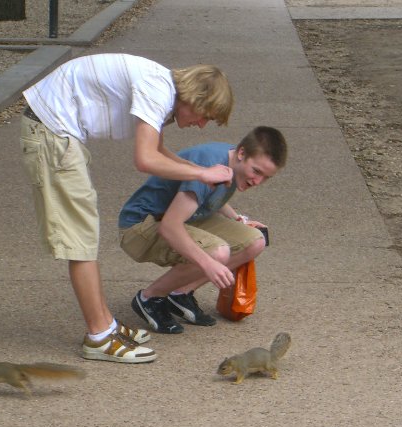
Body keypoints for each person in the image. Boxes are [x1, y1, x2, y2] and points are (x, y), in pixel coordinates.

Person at [20, 53, 234, 363]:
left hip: (56, 131)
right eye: (205, 116)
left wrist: (198, 171)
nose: (201, 125)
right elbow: (145, 159)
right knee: (80, 240)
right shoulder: (158, 90)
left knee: (86, 236)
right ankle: (99, 336)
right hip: (52, 132)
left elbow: (158, 149)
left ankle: (107, 325)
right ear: (194, 98)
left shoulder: (162, 88)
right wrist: (202, 174)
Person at [118, 126, 288, 333]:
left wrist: (238, 220)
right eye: (257, 171)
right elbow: (169, 227)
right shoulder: (210, 163)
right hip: (141, 228)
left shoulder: (232, 161)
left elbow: (210, 198)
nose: (258, 181)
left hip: (180, 216)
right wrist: (208, 264)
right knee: (217, 252)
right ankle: (150, 298)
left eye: (266, 177)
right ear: (242, 153)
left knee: (255, 241)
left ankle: (180, 294)